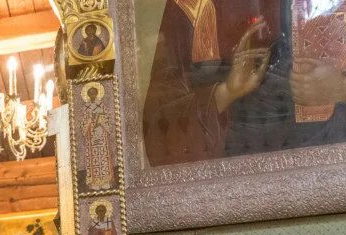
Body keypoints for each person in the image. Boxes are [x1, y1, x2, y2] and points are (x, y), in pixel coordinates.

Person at [142, 1, 346, 166]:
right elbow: (159, 137)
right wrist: (226, 92)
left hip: (324, 179)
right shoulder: (191, 6)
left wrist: (340, 88)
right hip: (232, 190)